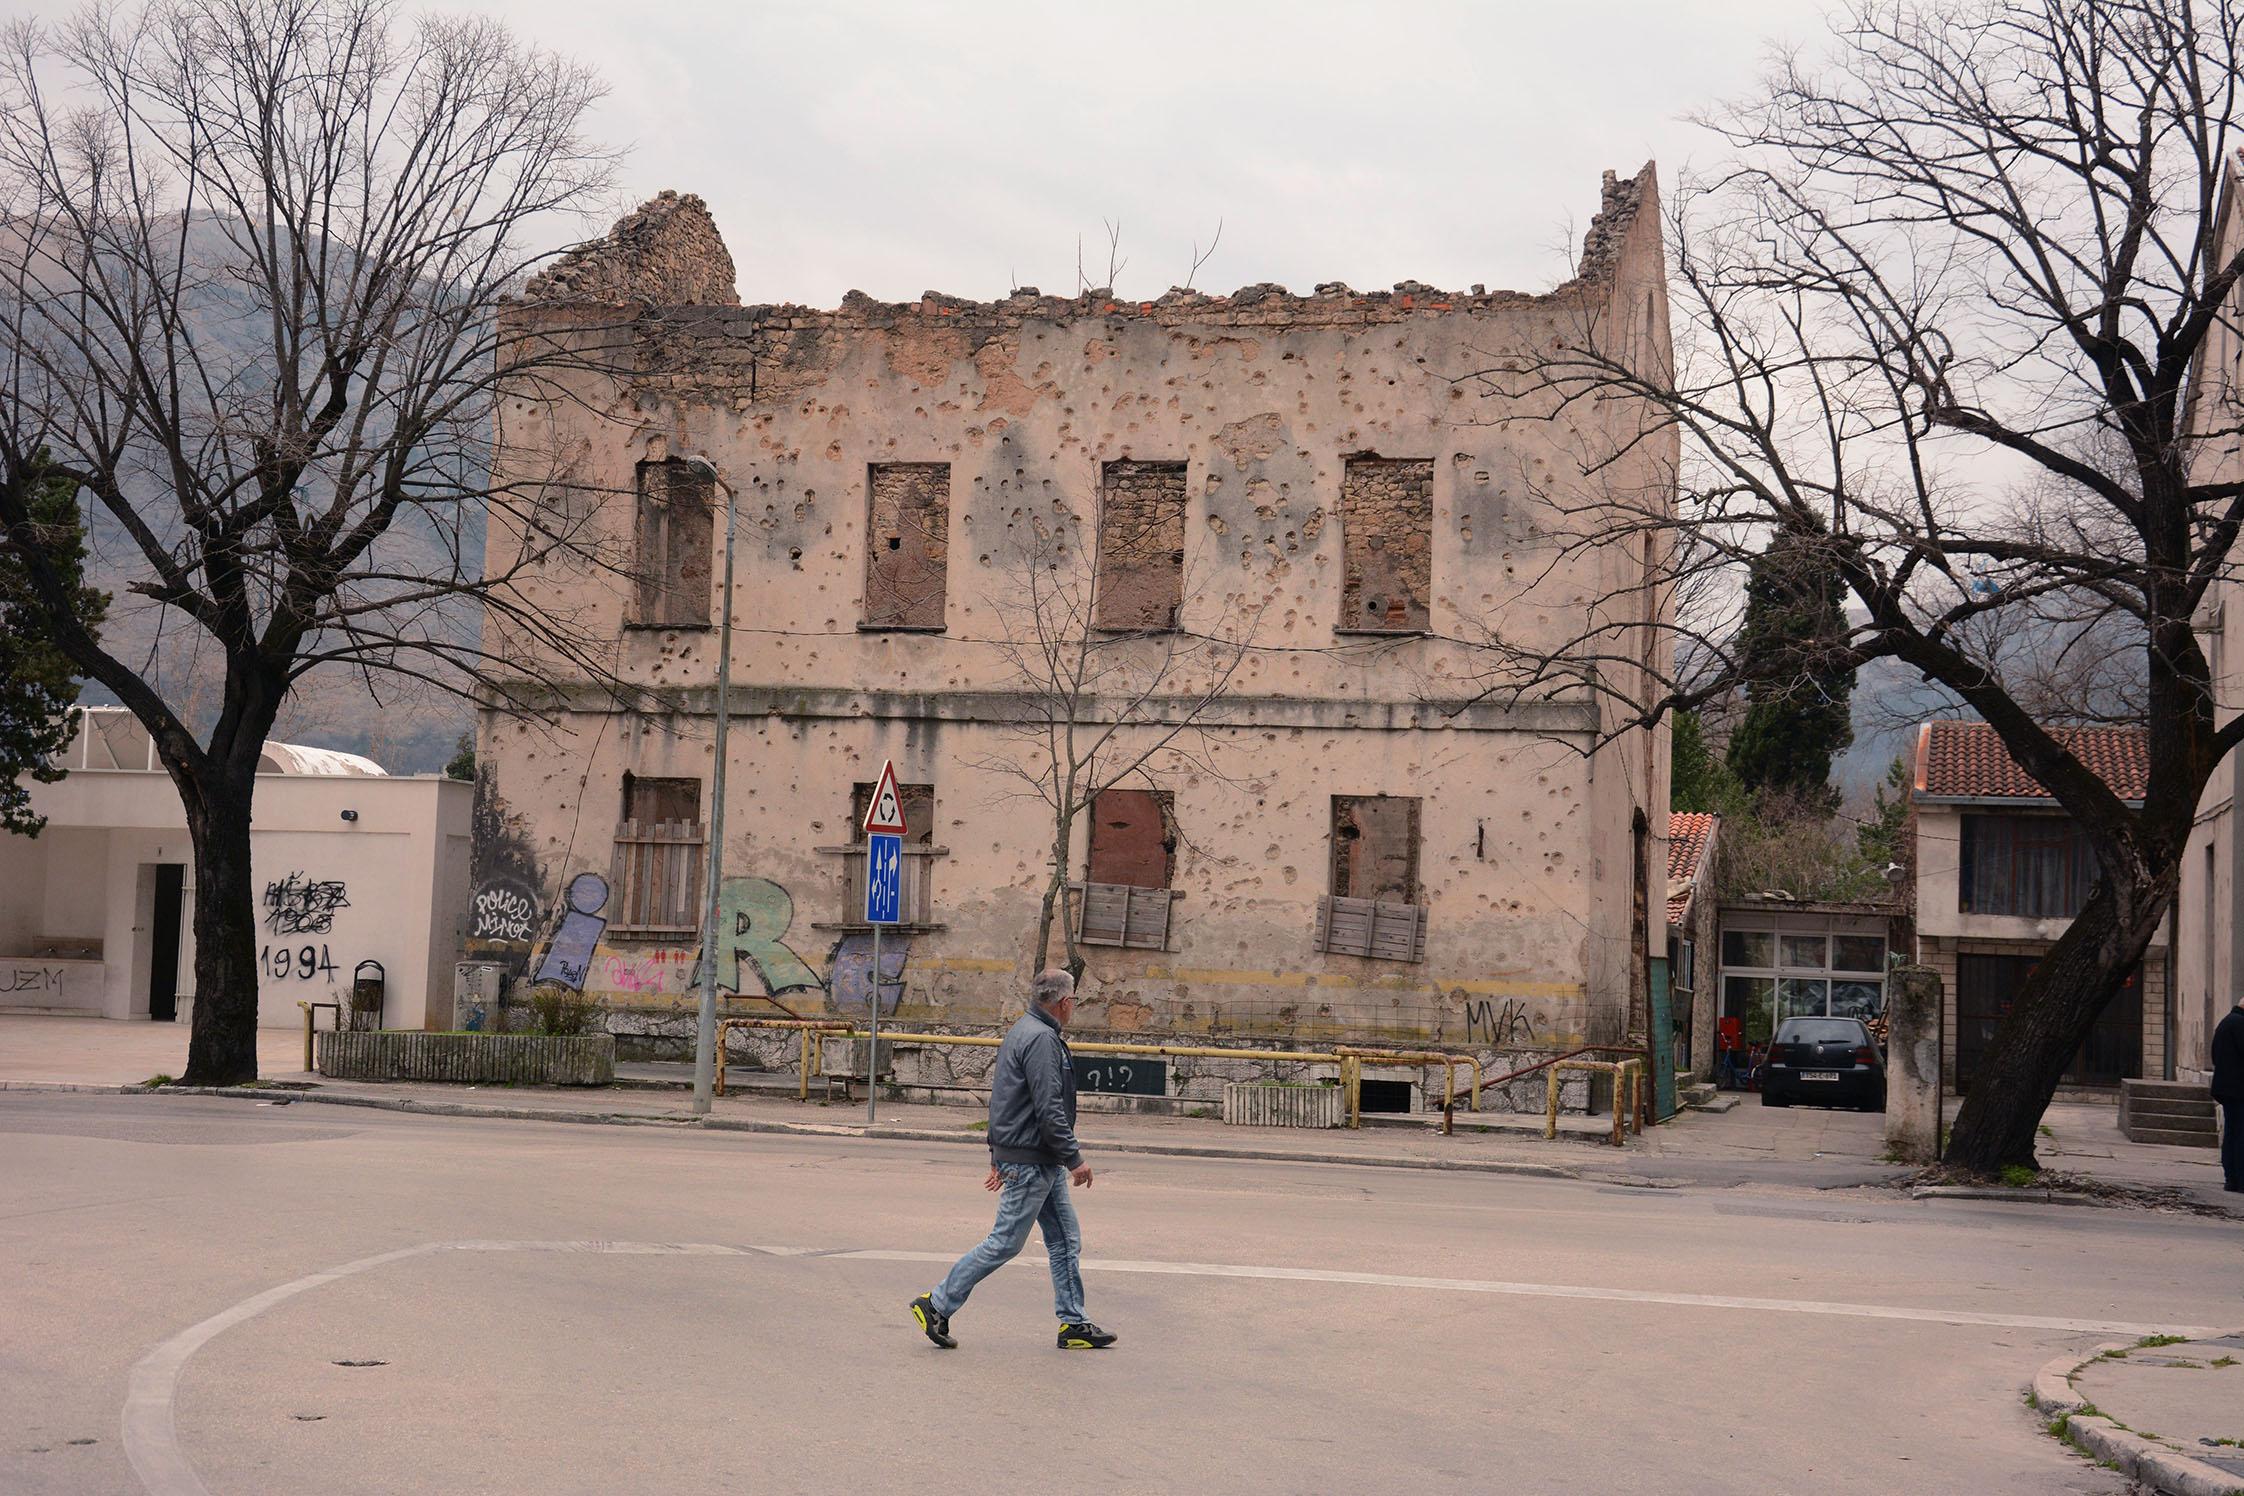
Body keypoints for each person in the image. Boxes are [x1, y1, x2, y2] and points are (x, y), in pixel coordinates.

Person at [911, 969, 1117, 1350]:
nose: (1074, 1007)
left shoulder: (1025, 1029)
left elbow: (1004, 1099)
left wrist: (997, 1152)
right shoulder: (1040, 1039)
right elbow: (1047, 1107)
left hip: (1035, 1157)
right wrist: (1074, 1158)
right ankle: (936, 1303)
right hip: (1033, 1160)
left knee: (1065, 1239)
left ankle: (1073, 1324)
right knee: (1005, 1241)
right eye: (1074, 1001)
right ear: (1064, 1003)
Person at [2213, 994, 2244, 1194]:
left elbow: (2215, 1055)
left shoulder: (2226, 1022)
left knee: (2232, 1133)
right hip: (2239, 1090)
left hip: (2227, 1089)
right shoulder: (2240, 1024)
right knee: (2240, 1135)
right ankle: (2240, 1179)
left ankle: (2231, 1178)